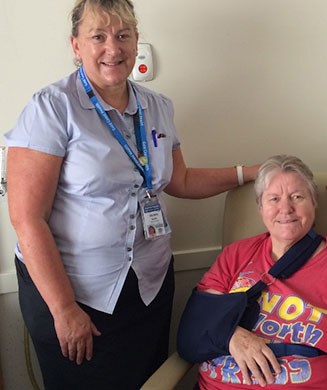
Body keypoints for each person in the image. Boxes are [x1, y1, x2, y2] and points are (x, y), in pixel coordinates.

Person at [4, 1, 257, 389]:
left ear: (137, 41)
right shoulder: (52, 108)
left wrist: (250, 173)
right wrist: (64, 308)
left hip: (147, 285)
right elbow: (27, 218)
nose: (113, 48)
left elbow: (180, 180)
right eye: (98, 36)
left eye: (123, 36)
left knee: (147, 380)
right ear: (76, 45)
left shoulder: (157, 107)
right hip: (75, 292)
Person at [196, 155, 327, 390]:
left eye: (297, 196)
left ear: (314, 202)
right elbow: (200, 318)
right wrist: (230, 335)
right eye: (274, 198)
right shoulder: (235, 255)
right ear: (260, 207)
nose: (285, 209)